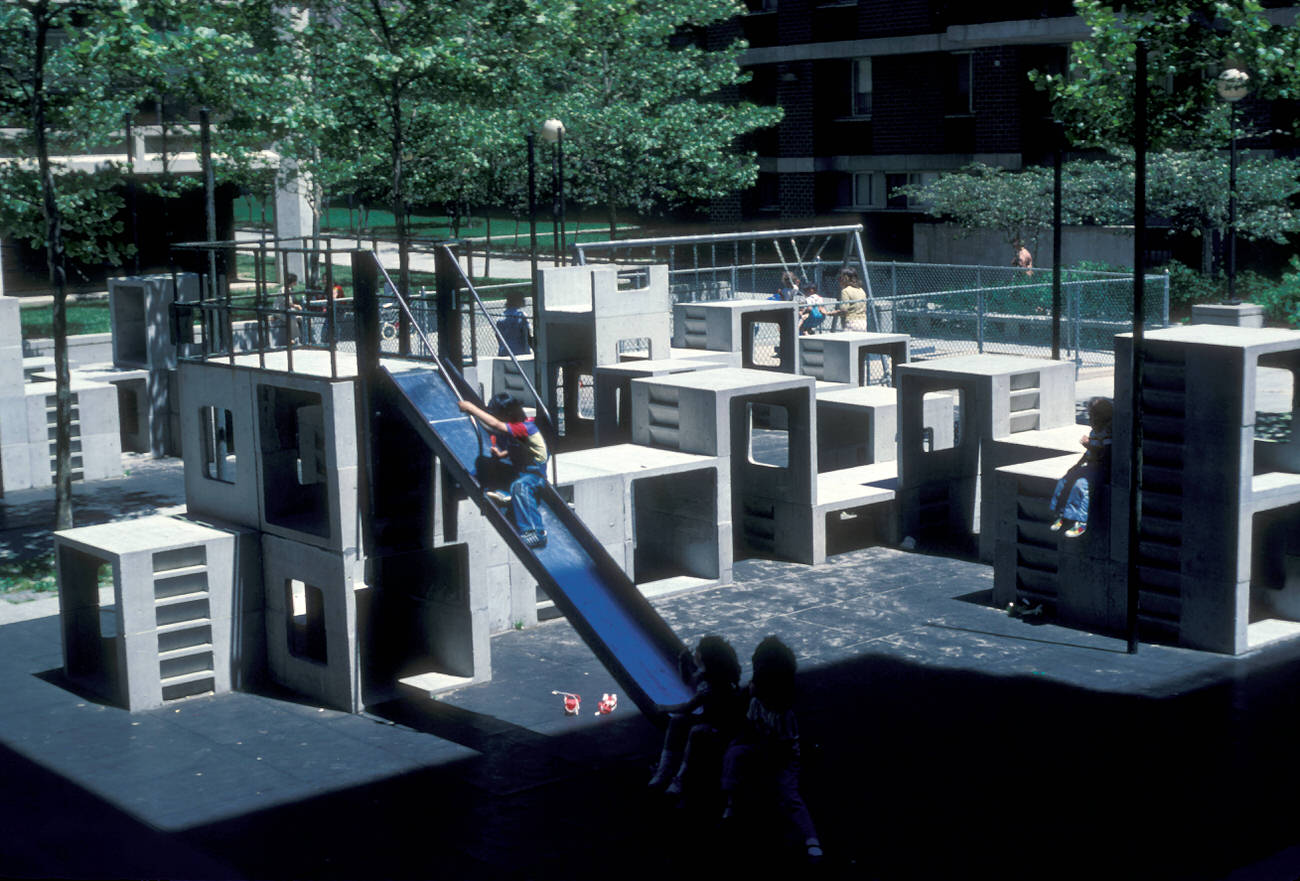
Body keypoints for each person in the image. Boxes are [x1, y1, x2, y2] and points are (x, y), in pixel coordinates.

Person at [721, 636, 822, 863]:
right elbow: (749, 726)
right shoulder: (757, 701)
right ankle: (731, 805)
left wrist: (763, 756)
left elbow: (783, 748)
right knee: (733, 755)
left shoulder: (783, 715)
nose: (752, 683)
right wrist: (740, 744)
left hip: (782, 756)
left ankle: (811, 838)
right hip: (761, 745)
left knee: (788, 793)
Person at [648, 635, 743, 797]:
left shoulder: (711, 685)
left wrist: (663, 708)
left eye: (698, 651)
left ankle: (681, 777)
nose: (695, 653)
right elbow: (690, 681)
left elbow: (688, 707)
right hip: (712, 719)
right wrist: (682, 662)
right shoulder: (711, 676)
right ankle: (665, 769)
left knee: (696, 732)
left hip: (721, 726)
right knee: (678, 722)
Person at [457, 393, 550, 549]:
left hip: (535, 476)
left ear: (506, 414)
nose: (497, 418)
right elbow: (521, 448)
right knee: (484, 462)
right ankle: (468, 484)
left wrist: (471, 408)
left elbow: (495, 425)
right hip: (519, 471)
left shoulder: (527, 427)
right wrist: (502, 454)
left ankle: (536, 532)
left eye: (497, 415)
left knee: (520, 487)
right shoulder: (516, 428)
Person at [1049, 396, 1114, 538]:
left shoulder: (1107, 434)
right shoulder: (1094, 433)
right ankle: (1061, 514)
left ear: (1103, 418)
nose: (1090, 420)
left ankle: (1081, 521)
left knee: (1081, 485)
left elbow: (1106, 455)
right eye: (1090, 417)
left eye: (1094, 417)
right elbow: (1088, 453)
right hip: (1090, 466)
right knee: (1065, 480)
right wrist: (1076, 465)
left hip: (1101, 469)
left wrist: (1088, 445)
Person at [495, 291, 531, 356]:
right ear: (517, 301)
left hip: (504, 350)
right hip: (520, 351)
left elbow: (497, 335)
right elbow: (526, 335)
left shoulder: (500, 317)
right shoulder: (521, 315)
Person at [836, 266, 868, 332]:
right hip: (863, 322)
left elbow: (844, 310)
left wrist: (830, 313)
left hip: (851, 322)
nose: (839, 281)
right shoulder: (861, 290)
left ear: (845, 279)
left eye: (840, 278)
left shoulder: (845, 291)